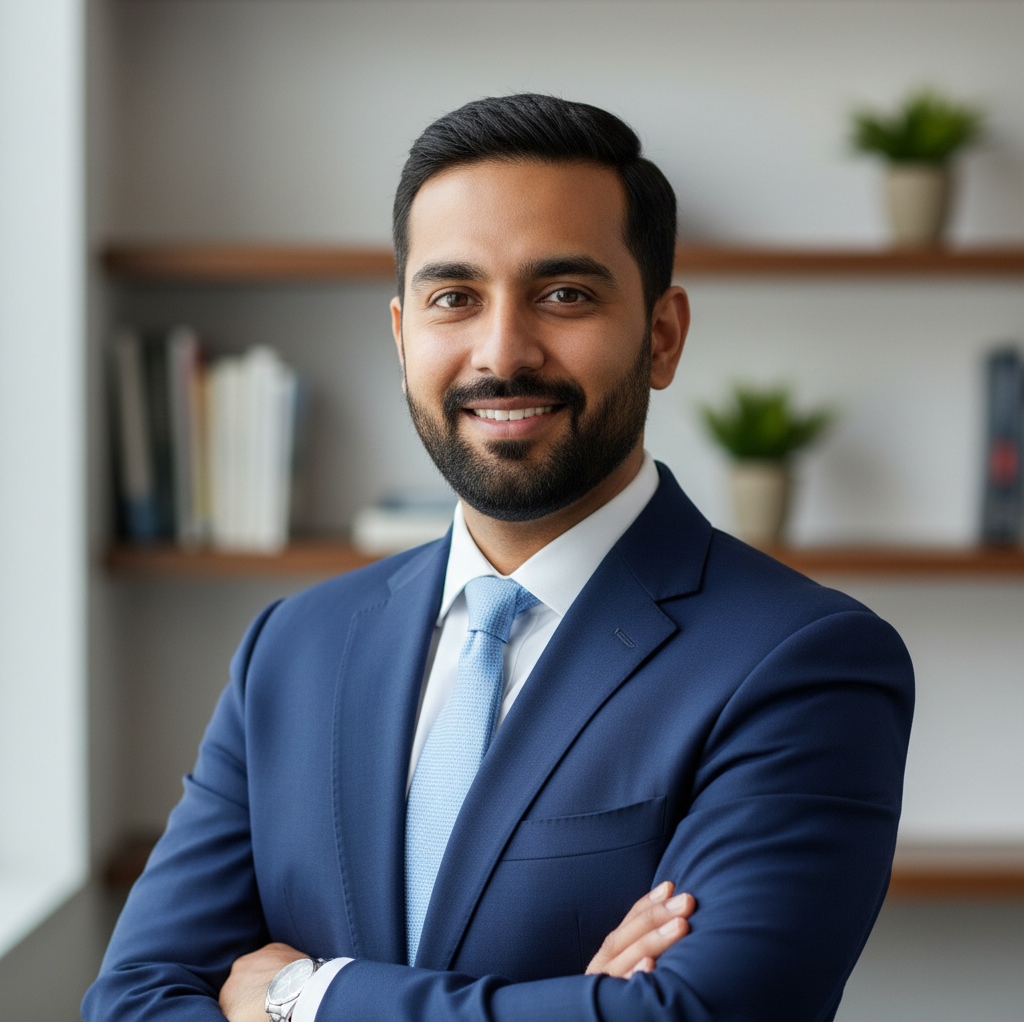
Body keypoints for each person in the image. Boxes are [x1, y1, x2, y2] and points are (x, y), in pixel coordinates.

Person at [84, 93, 914, 1022]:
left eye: (565, 294)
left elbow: (697, 1016)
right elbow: (135, 1001)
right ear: (403, 339)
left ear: (663, 336)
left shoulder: (805, 660)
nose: (502, 350)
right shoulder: (292, 646)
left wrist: (304, 994)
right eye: (455, 298)